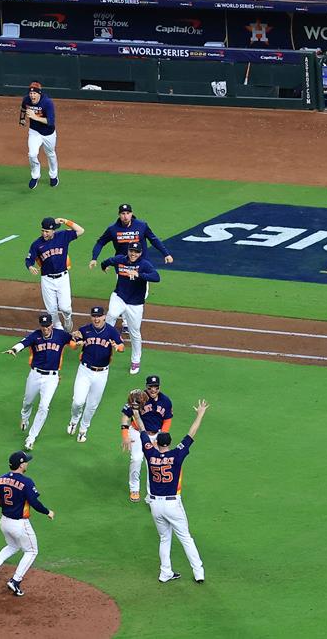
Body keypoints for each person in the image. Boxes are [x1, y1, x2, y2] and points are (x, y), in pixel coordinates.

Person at [143, 399, 210, 585]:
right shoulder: (177, 454)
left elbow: (142, 433)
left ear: (156, 443)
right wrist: (200, 414)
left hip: (155, 505)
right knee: (186, 538)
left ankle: (165, 573)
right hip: (172, 504)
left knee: (164, 538)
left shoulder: (150, 454)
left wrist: (136, 412)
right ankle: (198, 572)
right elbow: (191, 434)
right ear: (170, 443)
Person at [0, 450, 55, 599]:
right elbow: (34, 503)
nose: (27, 464)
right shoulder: (26, 482)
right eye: (26, 462)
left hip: (4, 521)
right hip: (19, 524)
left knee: (13, 546)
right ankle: (15, 581)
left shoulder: (1, 479)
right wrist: (47, 512)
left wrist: (6, 505)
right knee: (32, 551)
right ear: (21, 465)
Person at [4, 313, 72, 451]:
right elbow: (23, 343)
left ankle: (31, 437)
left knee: (44, 407)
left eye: (47, 326)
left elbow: (74, 340)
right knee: (28, 401)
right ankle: (25, 417)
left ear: (52, 324)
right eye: (43, 326)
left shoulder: (60, 335)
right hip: (35, 375)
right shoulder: (35, 335)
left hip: (51, 378)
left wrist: (79, 339)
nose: (45, 328)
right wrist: (14, 349)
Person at [102, 243, 162, 376]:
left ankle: (135, 361)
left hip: (135, 303)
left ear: (140, 253)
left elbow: (156, 277)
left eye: (136, 252)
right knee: (112, 314)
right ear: (128, 251)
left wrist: (139, 274)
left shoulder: (145, 264)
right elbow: (107, 261)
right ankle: (107, 346)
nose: (133, 254)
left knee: (134, 332)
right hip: (119, 297)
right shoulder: (120, 259)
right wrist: (104, 266)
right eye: (131, 251)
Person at [66, 305, 124, 443]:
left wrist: (117, 347)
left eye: (99, 316)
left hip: (102, 373)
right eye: (94, 316)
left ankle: (83, 430)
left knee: (92, 405)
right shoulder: (84, 329)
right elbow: (73, 344)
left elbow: (121, 346)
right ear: (91, 317)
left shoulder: (111, 331)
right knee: (78, 402)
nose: (96, 319)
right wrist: (77, 343)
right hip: (84, 371)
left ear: (104, 317)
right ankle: (74, 420)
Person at [27, 216, 85, 330]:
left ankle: (67, 318)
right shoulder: (37, 244)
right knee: (51, 310)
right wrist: (30, 266)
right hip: (47, 279)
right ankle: (59, 329)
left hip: (63, 278)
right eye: (43, 231)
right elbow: (29, 259)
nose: (44, 234)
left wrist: (66, 221)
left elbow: (81, 230)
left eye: (47, 231)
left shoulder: (63, 236)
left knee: (65, 308)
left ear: (53, 230)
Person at [122, 376, 173, 501]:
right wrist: (125, 435)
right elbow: (125, 415)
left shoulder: (165, 401)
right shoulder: (138, 397)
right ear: (146, 387)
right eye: (150, 387)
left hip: (156, 434)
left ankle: (153, 493)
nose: (153, 390)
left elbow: (167, 420)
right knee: (136, 459)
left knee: (154, 462)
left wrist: (160, 438)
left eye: (156, 387)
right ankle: (134, 489)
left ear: (159, 387)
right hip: (137, 432)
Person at [90, 204, 174, 267]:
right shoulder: (112, 229)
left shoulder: (142, 225)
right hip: (123, 265)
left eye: (128, 213)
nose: (126, 216)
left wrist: (166, 254)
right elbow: (100, 242)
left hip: (141, 263)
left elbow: (154, 240)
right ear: (119, 214)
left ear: (131, 213)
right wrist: (94, 258)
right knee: (122, 286)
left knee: (142, 285)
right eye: (123, 213)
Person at [19, 82, 59, 189]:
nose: (32, 96)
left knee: (50, 154)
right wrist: (22, 119)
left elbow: (50, 121)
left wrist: (35, 117)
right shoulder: (26, 100)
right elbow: (23, 108)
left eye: (34, 93)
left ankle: (53, 176)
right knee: (32, 154)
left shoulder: (47, 103)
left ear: (39, 94)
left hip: (48, 133)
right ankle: (35, 175)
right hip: (34, 131)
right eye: (30, 93)